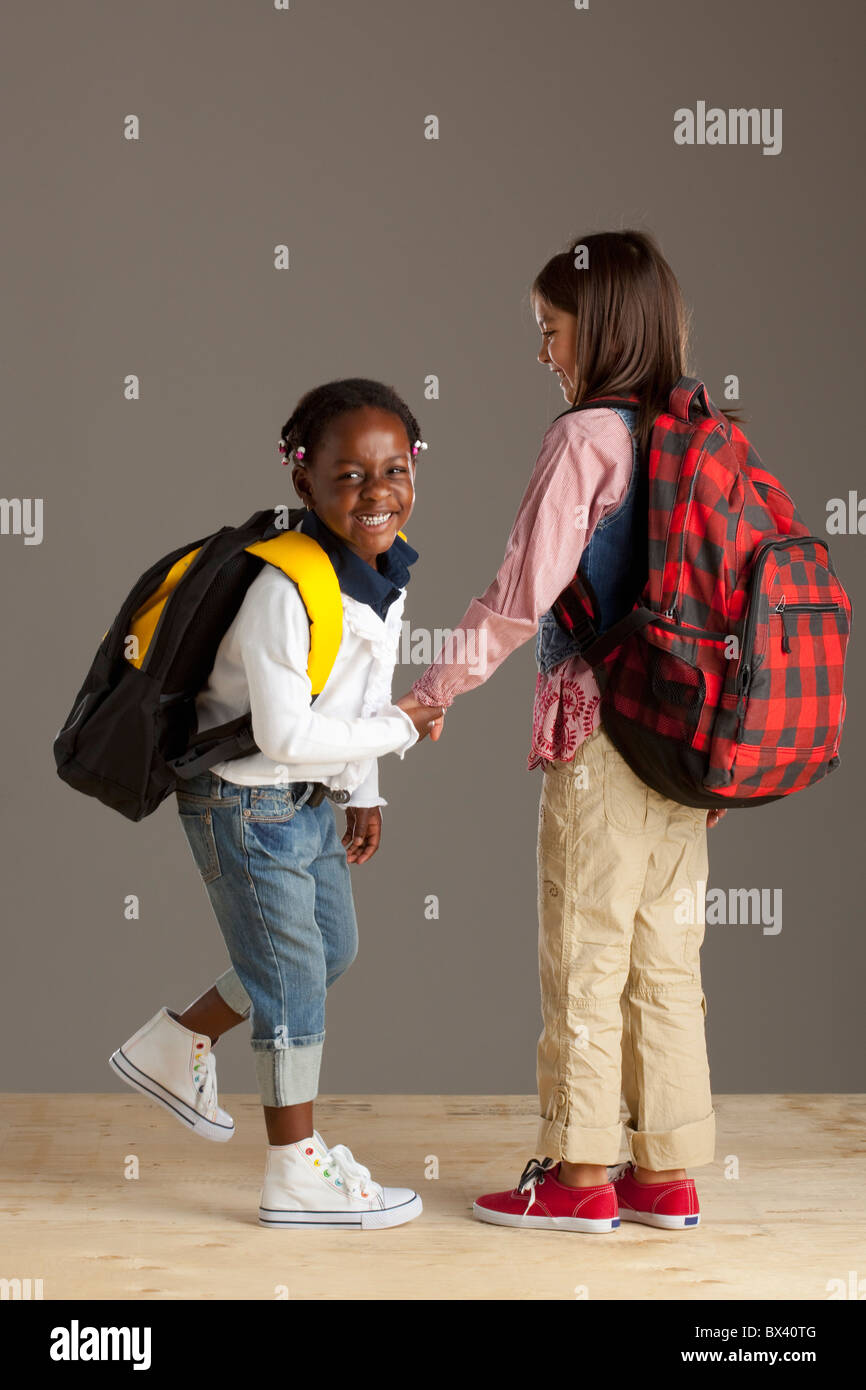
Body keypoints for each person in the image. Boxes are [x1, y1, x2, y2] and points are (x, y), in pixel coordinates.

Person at [397, 230, 730, 1233]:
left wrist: (435, 690)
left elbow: (517, 595)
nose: (541, 354)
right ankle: (664, 1174)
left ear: (599, 326)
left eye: (549, 331)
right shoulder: (698, 433)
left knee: (583, 952)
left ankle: (579, 1175)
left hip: (598, 737)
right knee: (665, 961)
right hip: (688, 745)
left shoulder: (586, 438)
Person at [109, 378, 444, 1231]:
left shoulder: (383, 571)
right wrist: (402, 730)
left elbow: (363, 690)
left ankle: (176, 1040)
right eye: (349, 476)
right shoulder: (281, 588)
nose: (377, 495)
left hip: (302, 801)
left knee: (330, 951)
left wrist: (365, 791)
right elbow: (289, 732)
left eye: (394, 470)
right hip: (241, 802)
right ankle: (292, 1169)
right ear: (304, 481)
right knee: (294, 978)